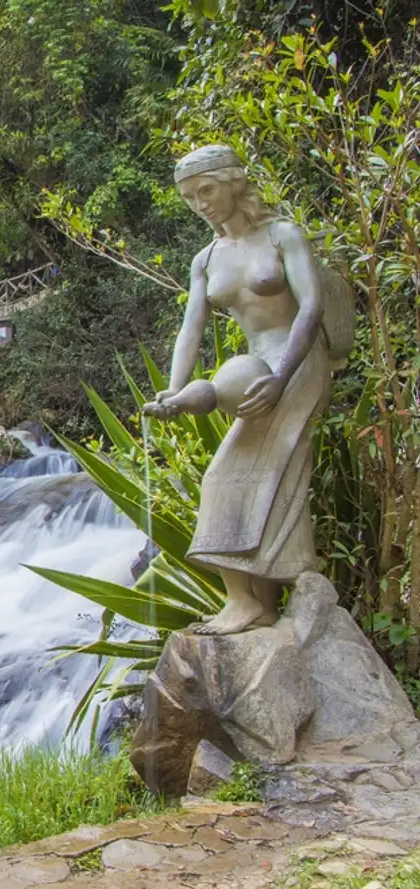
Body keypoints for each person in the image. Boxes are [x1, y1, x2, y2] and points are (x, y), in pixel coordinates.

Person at [141, 144, 348, 635]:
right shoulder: (206, 259)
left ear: (234, 181)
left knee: (233, 473)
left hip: (297, 363)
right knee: (247, 475)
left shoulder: (282, 236)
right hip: (258, 367)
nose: (200, 204)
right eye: (190, 197)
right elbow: (191, 330)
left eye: (206, 190)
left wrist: (281, 379)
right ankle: (260, 603)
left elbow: (311, 308)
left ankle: (247, 601)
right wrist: (172, 390)